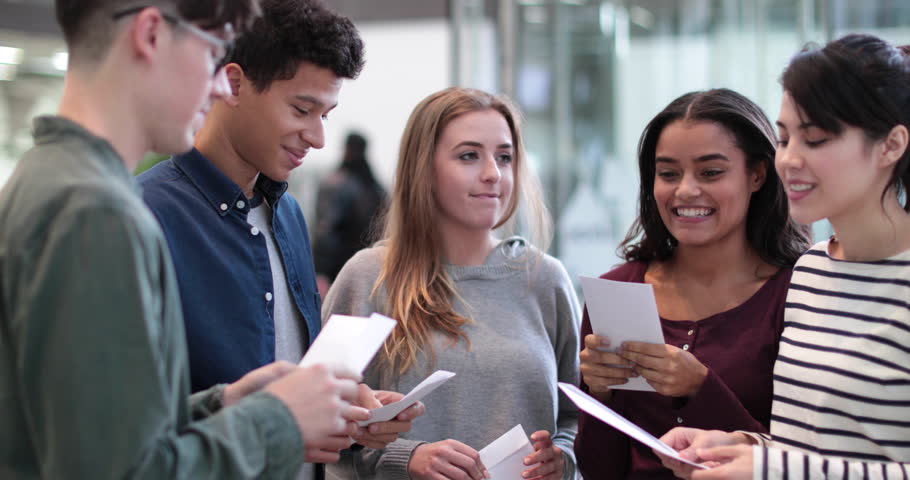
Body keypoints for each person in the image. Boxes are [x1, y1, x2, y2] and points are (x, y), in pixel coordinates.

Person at [0, 1, 369, 479]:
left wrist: (225, 403)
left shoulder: (50, 178)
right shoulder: (96, 209)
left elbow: (100, 435)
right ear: (151, 34)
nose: (218, 85)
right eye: (212, 51)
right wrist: (276, 420)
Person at [137, 0, 420, 474]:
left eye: (326, 115)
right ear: (233, 84)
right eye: (302, 109)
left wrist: (347, 414)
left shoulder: (286, 212)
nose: (317, 137)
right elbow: (128, 425)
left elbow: (293, 380)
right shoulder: (146, 217)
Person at [657, 34, 910, 480]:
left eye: (814, 139)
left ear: (891, 145)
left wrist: (772, 467)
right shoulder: (811, 271)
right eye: (785, 138)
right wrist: (741, 446)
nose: (789, 160)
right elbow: (811, 448)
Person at [322, 87, 580, 480]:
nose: (493, 173)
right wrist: (407, 457)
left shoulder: (545, 280)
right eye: (469, 156)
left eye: (505, 157)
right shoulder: (368, 278)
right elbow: (317, 424)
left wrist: (561, 459)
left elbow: (578, 420)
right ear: (424, 168)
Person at [574, 88, 808, 479]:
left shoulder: (799, 292)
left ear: (757, 175)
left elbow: (808, 463)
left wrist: (701, 388)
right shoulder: (617, 290)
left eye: (710, 172)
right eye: (668, 173)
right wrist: (598, 393)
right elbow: (600, 471)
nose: (684, 190)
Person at [313, 131, 388, 296]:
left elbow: (325, 231)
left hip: (339, 268)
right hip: (372, 269)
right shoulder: (377, 188)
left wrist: (320, 271)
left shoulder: (334, 184)